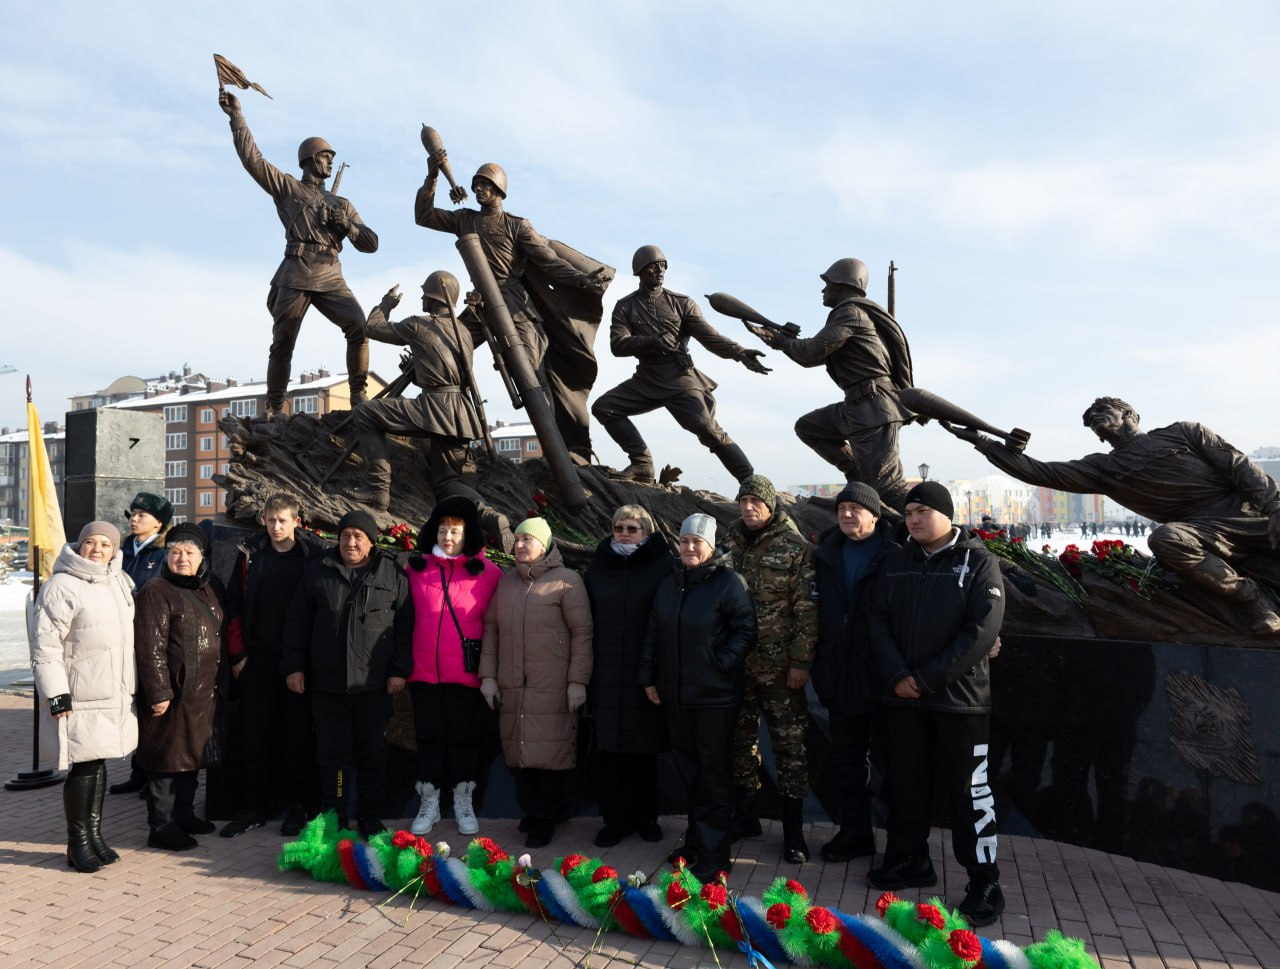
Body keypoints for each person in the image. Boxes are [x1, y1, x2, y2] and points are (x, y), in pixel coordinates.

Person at [948, 396, 1280, 633]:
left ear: (1130, 414)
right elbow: (1040, 472)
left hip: (1247, 513)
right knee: (1166, 539)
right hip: (1199, 530)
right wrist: (981, 442)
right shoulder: (1103, 468)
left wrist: (1275, 505)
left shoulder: (1184, 432)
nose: (1096, 419)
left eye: (1102, 411)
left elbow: (1241, 467)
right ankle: (1251, 598)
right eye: (1091, 421)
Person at [865, 481, 1006, 927]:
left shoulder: (978, 561)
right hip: (903, 698)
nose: (913, 520)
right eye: (908, 513)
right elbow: (877, 620)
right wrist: (898, 677)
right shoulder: (894, 562)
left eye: (923, 511)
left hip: (960, 701)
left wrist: (925, 679)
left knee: (971, 795)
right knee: (905, 785)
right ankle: (910, 859)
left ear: (946, 514)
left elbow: (982, 631)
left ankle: (983, 881)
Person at [415, 152, 610, 463]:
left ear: (500, 190)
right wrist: (432, 175)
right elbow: (423, 216)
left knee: (533, 376)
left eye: (485, 185)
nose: (479, 189)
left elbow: (549, 261)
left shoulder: (518, 227)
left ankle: (557, 451)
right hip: (480, 305)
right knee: (446, 349)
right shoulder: (465, 219)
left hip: (514, 305)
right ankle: (442, 429)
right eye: (476, 185)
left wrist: (582, 280)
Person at [218, 89, 378, 418]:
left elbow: (371, 243)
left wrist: (346, 225)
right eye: (324, 155)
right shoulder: (289, 189)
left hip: (330, 274)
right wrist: (237, 118)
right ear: (308, 160)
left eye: (332, 156)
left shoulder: (342, 205)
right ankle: (274, 407)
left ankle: (358, 395)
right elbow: (254, 161)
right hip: (296, 270)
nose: (330, 160)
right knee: (283, 341)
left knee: (359, 327)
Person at [282, 510, 413, 839]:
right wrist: (294, 667)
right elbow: (297, 623)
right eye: (345, 536)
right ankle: (336, 814)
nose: (351, 542)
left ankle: (370, 816)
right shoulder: (319, 572)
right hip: (329, 685)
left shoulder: (392, 573)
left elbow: (405, 628)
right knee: (333, 757)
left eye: (358, 537)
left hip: (374, 685)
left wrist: (399, 671)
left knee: (373, 754)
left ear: (371, 542)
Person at [639, 513, 757, 882]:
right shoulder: (670, 583)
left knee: (712, 777)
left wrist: (717, 663)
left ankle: (714, 855)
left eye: (697, 543)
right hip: (676, 696)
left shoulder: (727, 583)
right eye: (685, 541)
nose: (690, 548)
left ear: (711, 546)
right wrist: (648, 676)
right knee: (689, 774)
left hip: (714, 698)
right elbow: (654, 632)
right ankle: (694, 843)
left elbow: (746, 630)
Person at [744, 258, 915, 509]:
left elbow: (811, 352)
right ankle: (856, 477)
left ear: (841, 285)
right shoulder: (850, 314)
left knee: (888, 488)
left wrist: (781, 342)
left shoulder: (850, 312)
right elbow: (815, 353)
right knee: (810, 427)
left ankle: (933, 524)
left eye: (828, 284)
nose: (824, 290)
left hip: (873, 407)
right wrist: (785, 341)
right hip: (857, 405)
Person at [592, 246, 766, 482]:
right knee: (604, 407)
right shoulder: (626, 306)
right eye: (654, 266)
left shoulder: (681, 303)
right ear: (640, 271)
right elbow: (618, 345)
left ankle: (750, 481)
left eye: (663, 266)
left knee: (708, 429)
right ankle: (642, 464)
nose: (660, 270)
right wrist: (650, 342)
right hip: (647, 377)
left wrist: (740, 352)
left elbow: (710, 337)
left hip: (680, 376)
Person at [350, 272, 502, 535]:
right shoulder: (464, 331)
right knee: (448, 482)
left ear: (432, 299)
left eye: (424, 294)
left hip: (433, 407)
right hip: (460, 413)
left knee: (365, 412)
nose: (421, 297)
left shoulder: (418, 325)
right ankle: (488, 515)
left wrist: (386, 304)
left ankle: (377, 489)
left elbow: (372, 327)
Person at [31, 521, 138, 872]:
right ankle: (77, 843)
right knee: (83, 764)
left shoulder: (118, 581)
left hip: (114, 690)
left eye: (105, 544)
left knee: (99, 760)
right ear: (79, 546)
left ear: (114, 550)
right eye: (90, 542)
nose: (97, 549)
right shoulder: (61, 586)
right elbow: (45, 648)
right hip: (80, 692)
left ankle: (94, 836)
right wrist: (56, 694)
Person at [479, 517, 593, 848]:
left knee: (550, 753)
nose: (520, 545)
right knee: (520, 751)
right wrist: (488, 676)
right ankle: (535, 810)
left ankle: (547, 816)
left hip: (553, 685)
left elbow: (583, 634)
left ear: (544, 546)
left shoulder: (567, 582)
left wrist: (577, 681)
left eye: (528, 539)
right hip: (513, 684)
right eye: (517, 539)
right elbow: (491, 630)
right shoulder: (506, 583)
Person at [724, 474, 818, 863]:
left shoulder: (795, 547)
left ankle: (794, 832)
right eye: (743, 502)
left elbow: (807, 611)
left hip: (780, 669)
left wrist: (799, 662)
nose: (748, 509)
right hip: (737, 666)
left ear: (770, 506)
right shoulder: (730, 542)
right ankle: (746, 816)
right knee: (739, 744)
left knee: (789, 748)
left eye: (755, 503)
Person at [219, 493, 320, 838]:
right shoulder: (250, 554)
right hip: (257, 659)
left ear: (296, 521)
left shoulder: (312, 556)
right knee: (254, 736)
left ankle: (297, 806)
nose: (276, 526)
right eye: (270, 519)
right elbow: (233, 605)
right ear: (263, 519)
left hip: (298, 662)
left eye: (282, 520)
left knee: (297, 736)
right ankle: (252, 807)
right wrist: (238, 655)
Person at [809, 481, 898, 862]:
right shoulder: (825, 554)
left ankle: (902, 843)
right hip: (840, 675)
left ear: (875, 516)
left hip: (886, 675)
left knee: (897, 764)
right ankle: (855, 833)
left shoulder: (896, 555)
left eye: (855, 509)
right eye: (841, 508)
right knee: (848, 762)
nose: (846, 514)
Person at [405, 496, 502, 837]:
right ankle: (429, 802)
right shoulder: (416, 570)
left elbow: (497, 625)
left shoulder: (489, 574)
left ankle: (464, 802)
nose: (448, 537)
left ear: (467, 535)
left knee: (464, 739)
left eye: (456, 531)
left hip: (465, 675)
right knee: (428, 738)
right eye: (443, 530)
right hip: (424, 674)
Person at [583, 504, 676, 847]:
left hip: (644, 671)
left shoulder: (663, 567)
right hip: (606, 670)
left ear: (646, 532)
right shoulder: (598, 567)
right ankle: (614, 821)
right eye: (619, 527)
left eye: (632, 528)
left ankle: (646, 818)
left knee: (644, 751)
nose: (623, 533)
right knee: (609, 752)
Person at [135, 523, 226, 851]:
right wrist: (158, 692)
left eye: (189, 553)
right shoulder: (156, 591)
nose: (182, 558)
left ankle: (184, 814)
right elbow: (149, 646)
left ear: (202, 557)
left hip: (202, 693)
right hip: (172, 694)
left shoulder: (209, 588)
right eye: (175, 552)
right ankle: (162, 826)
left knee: (190, 756)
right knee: (165, 760)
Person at [111, 490, 174, 795]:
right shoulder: (123, 549)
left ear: (159, 523)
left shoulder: (164, 555)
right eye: (133, 514)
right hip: (123, 639)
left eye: (142, 515)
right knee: (133, 707)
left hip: (150, 638)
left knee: (154, 709)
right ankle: (138, 770)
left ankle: (154, 775)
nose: (134, 520)